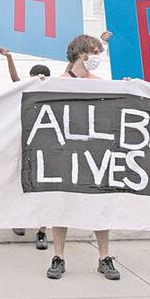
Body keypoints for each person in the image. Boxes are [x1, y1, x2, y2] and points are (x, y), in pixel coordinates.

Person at [45, 34, 121, 281]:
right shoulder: (59, 83)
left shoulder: (101, 83)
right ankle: (58, 256)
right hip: (66, 154)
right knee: (60, 204)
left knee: (100, 204)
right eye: (95, 52)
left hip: (95, 154)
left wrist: (128, 89)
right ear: (82, 54)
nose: (98, 57)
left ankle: (104, 257)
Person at [0, 47, 51, 251]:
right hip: (26, 146)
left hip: (47, 149)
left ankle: (42, 231)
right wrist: (10, 57)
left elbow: (72, 73)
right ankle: (20, 219)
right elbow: (14, 80)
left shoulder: (55, 93)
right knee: (21, 184)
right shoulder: (26, 92)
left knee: (44, 190)